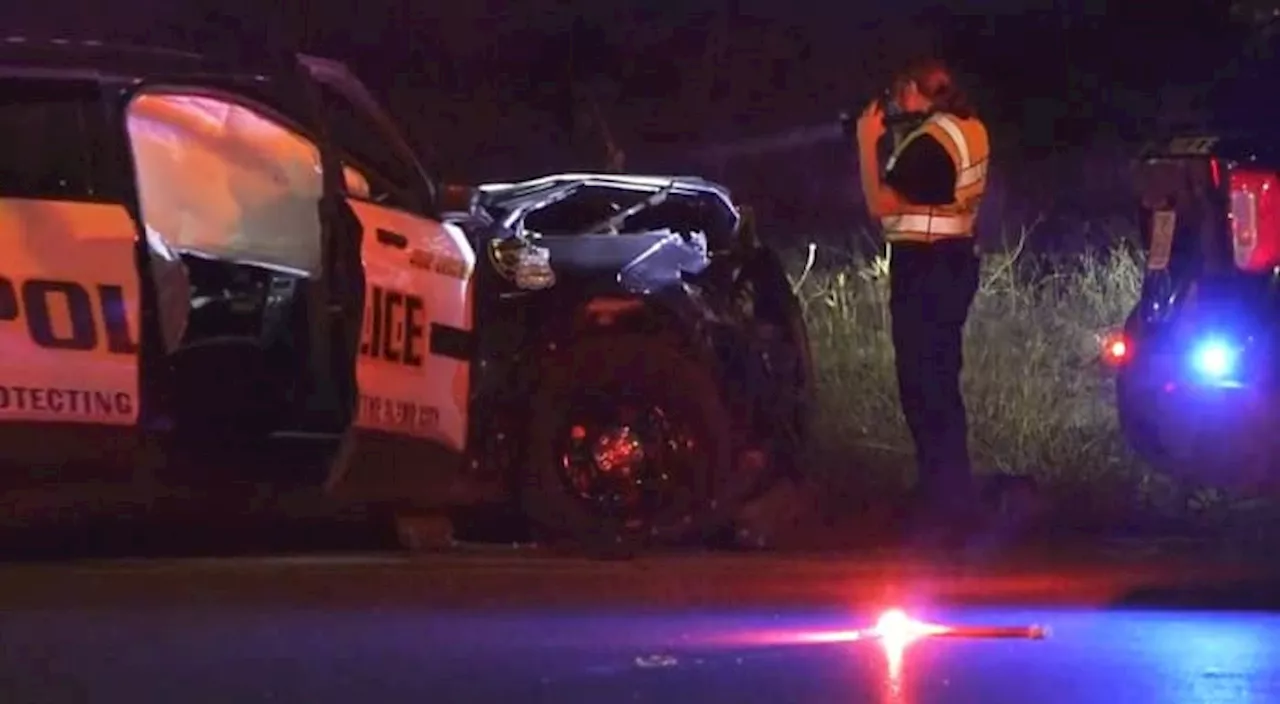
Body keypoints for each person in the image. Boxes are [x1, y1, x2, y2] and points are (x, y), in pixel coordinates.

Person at [854, 57, 991, 537]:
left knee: (923, 385)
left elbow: (881, 204)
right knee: (940, 382)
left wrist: (865, 145)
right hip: (952, 266)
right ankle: (947, 491)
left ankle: (943, 500)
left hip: (927, 273)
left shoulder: (932, 142)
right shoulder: (963, 128)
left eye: (901, 91)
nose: (896, 101)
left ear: (918, 89)